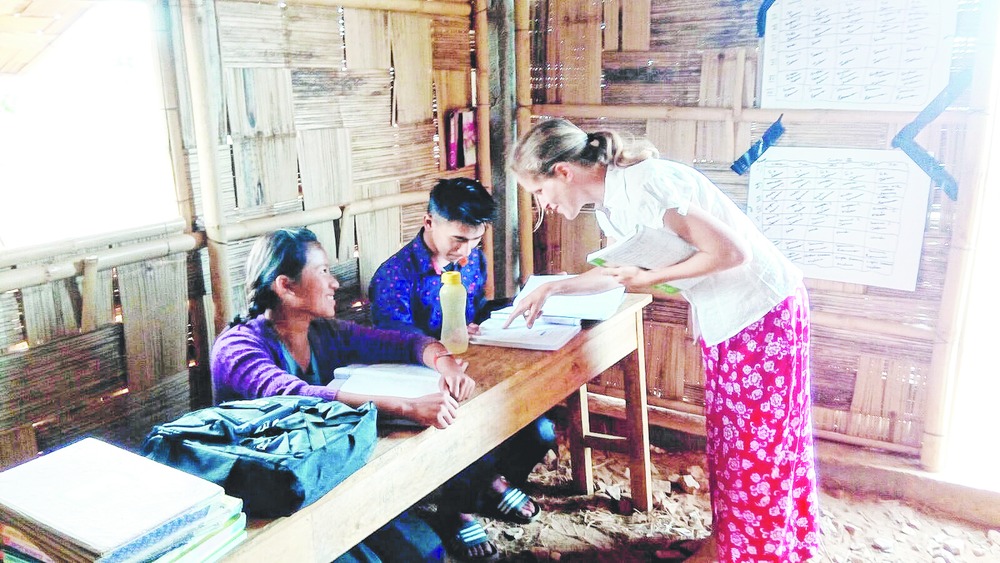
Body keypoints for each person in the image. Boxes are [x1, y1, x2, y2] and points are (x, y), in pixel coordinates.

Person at [505, 118, 819, 563]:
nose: (543, 204)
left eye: (539, 191)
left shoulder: (646, 184)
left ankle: (756, 553)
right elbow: (620, 274)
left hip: (762, 311)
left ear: (563, 172)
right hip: (731, 316)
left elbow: (733, 253)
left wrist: (652, 277)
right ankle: (727, 543)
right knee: (730, 441)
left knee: (757, 446)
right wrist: (555, 287)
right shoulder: (612, 202)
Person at [211, 227, 475, 563]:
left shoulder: (324, 332)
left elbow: (400, 342)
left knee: (426, 550)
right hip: (270, 499)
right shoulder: (237, 348)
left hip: (325, 471)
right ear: (286, 286)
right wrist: (407, 407)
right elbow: (295, 395)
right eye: (322, 271)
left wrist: (444, 362)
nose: (334, 283)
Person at [368, 178, 554, 562]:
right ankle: (456, 511)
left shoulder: (471, 262)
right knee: (466, 428)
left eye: (475, 240)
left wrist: (487, 319)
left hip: (473, 366)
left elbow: (475, 311)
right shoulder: (393, 276)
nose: (467, 251)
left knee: (540, 433)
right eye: (458, 240)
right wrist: (441, 354)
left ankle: (490, 482)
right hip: (421, 380)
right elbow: (394, 340)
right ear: (429, 222)